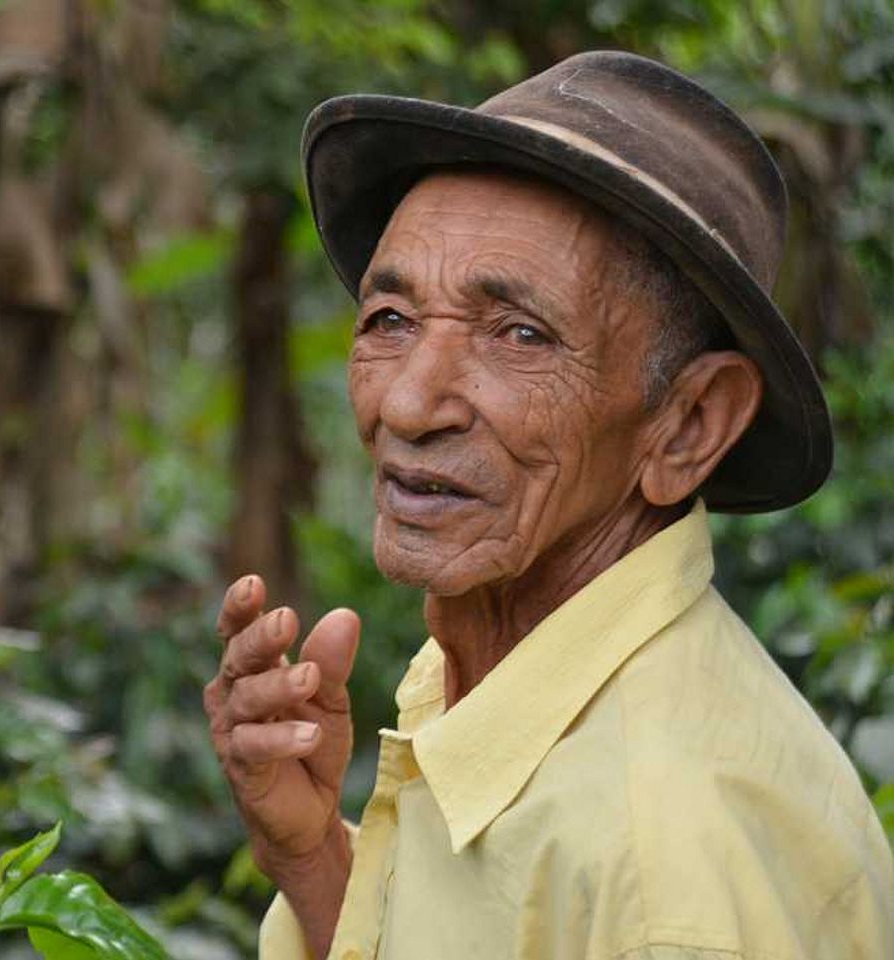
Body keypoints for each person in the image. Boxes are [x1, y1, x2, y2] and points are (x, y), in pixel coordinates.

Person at [202, 51, 894, 960]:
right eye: (391, 321)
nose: (407, 405)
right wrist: (313, 860)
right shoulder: (508, 682)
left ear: (687, 425)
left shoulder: (667, 875)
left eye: (519, 335)